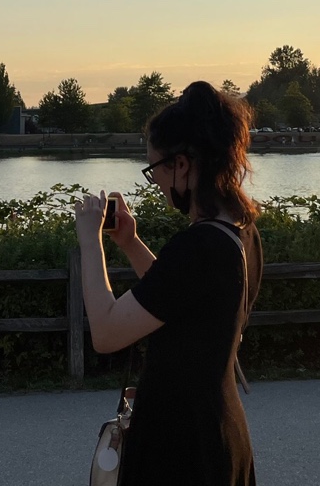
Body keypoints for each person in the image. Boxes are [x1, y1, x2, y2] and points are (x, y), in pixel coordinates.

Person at [74, 81, 263, 486]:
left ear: (182, 165)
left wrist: (91, 242)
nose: (155, 181)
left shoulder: (199, 246)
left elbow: (106, 333)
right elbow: (183, 297)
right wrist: (129, 242)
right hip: (222, 431)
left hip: (183, 449)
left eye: (155, 167)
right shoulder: (240, 232)